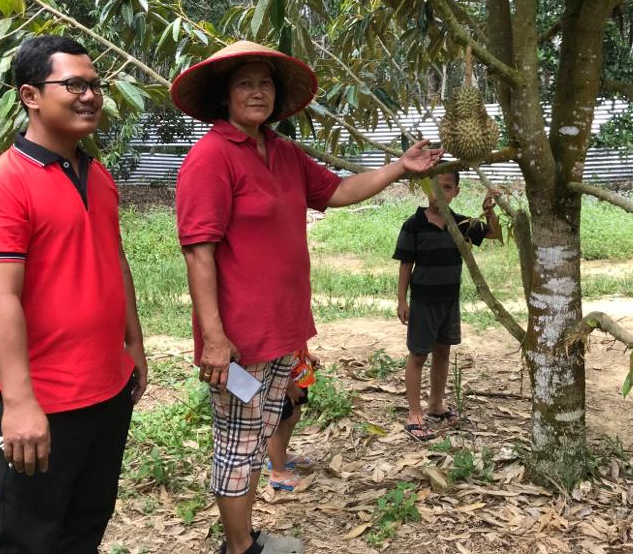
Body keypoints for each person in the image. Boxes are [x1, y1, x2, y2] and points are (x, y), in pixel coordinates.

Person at [171, 40, 442, 554]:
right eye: (245, 83)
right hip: (240, 340)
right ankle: (238, 548)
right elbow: (198, 252)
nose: (257, 92)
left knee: (257, 436)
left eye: (265, 83)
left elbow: (336, 191)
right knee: (238, 444)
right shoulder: (210, 158)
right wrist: (214, 339)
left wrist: (399, 168)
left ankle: (245, 537)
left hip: (282, 329)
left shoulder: (283, 152)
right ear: (225, 96)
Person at [0, 35, 147, 553]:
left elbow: (115, 261)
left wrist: (133, 344)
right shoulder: (1, 185)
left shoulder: (98, 175)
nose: (90, 96)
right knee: (30, 538)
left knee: (86, 523)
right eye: (74, 85)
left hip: (108, 387)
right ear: (31, 96)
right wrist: (19, 403)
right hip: (45, 399)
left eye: (95, 86)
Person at [392, 171, 501, 442]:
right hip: (423, 303)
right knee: (418, 355)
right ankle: (414, 413)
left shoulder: (461, 223)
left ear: (456, 192)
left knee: (443, 353)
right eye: (436, 187)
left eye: (448, 187)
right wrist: (402, 300)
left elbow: (494, 234)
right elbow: (406, 264)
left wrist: (489, 211)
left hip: (449, 301)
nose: (441, 193)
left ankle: (436, 405)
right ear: (426, 188)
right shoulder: (414, 225)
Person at [265, 349, 318, 492]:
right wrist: (288, 385)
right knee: (278, 421)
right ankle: (277, 472)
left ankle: (281, 456)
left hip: (296, 371)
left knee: (293, 415)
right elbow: (272, 356)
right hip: (280, 379)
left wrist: (307, 354)